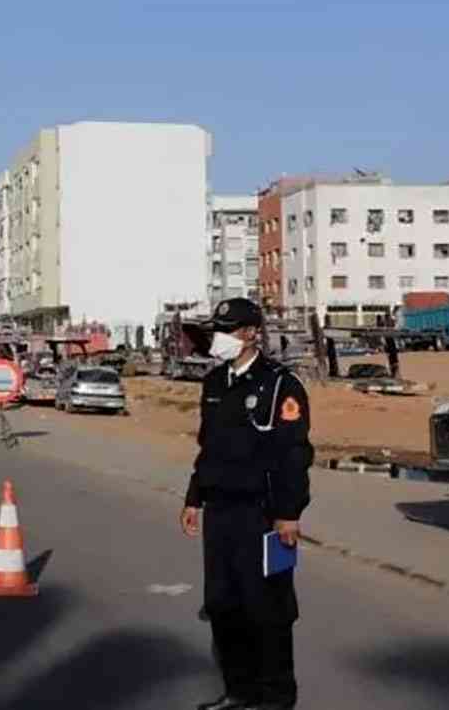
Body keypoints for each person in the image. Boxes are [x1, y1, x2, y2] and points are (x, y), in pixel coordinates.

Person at [181, 298, 313, 710]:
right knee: (223, 605)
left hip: (266, 517)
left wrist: (289, 513)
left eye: (229, 329)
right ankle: (239, 692)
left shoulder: (280, 385)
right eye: (217, 328)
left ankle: (275, 698)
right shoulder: (215, 383)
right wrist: (194, 496)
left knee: (269, 609)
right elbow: (208, 447)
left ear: (252, 332)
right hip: (221, 512)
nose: (219, 337)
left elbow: (293, 453)